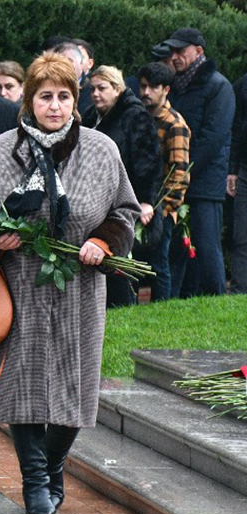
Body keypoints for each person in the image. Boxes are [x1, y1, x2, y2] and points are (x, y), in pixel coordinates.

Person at [0, 53, 140, 514]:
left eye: (64, 97)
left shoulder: (101, 150)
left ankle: (55, 463)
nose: (55, 106)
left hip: (78, 288)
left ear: (75, 101)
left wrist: (104, 242)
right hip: (18, 286)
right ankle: (34, 481)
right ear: (29, 101)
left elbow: (125, 211)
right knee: (22, 382)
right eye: (45, 97)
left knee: (74, 381)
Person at [161, 28, 233, 297]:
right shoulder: (178, 84)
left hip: (203, 181)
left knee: (206, 244)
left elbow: (213, 138)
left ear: (199, 52)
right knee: (177, 247)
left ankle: (217, 299)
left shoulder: (218, 86)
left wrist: (183, 170)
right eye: (173, 51)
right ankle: (173, 301)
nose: (175, 56)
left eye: (181, 51)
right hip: (180, 178)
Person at [82, 65, 161, 307]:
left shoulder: (134, 115)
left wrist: (146, 200)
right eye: (93, 88)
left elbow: (148, 160)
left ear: (117, 89)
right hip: (95, 196)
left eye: (102, 88)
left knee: (121, 256)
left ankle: (124, 304)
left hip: (125, 198)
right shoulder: (90, 115)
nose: (95, 94)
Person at [136, 62, 191, 302]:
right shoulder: (140, 118)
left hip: (162, 206)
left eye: (153, 87)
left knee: (159, 262)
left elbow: (180, 173)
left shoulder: (174, 124)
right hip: (141, 201)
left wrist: (165, 208)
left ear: (166, 90)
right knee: (139, 260)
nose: (146, 92)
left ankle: (162, 307)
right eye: (143, 86)